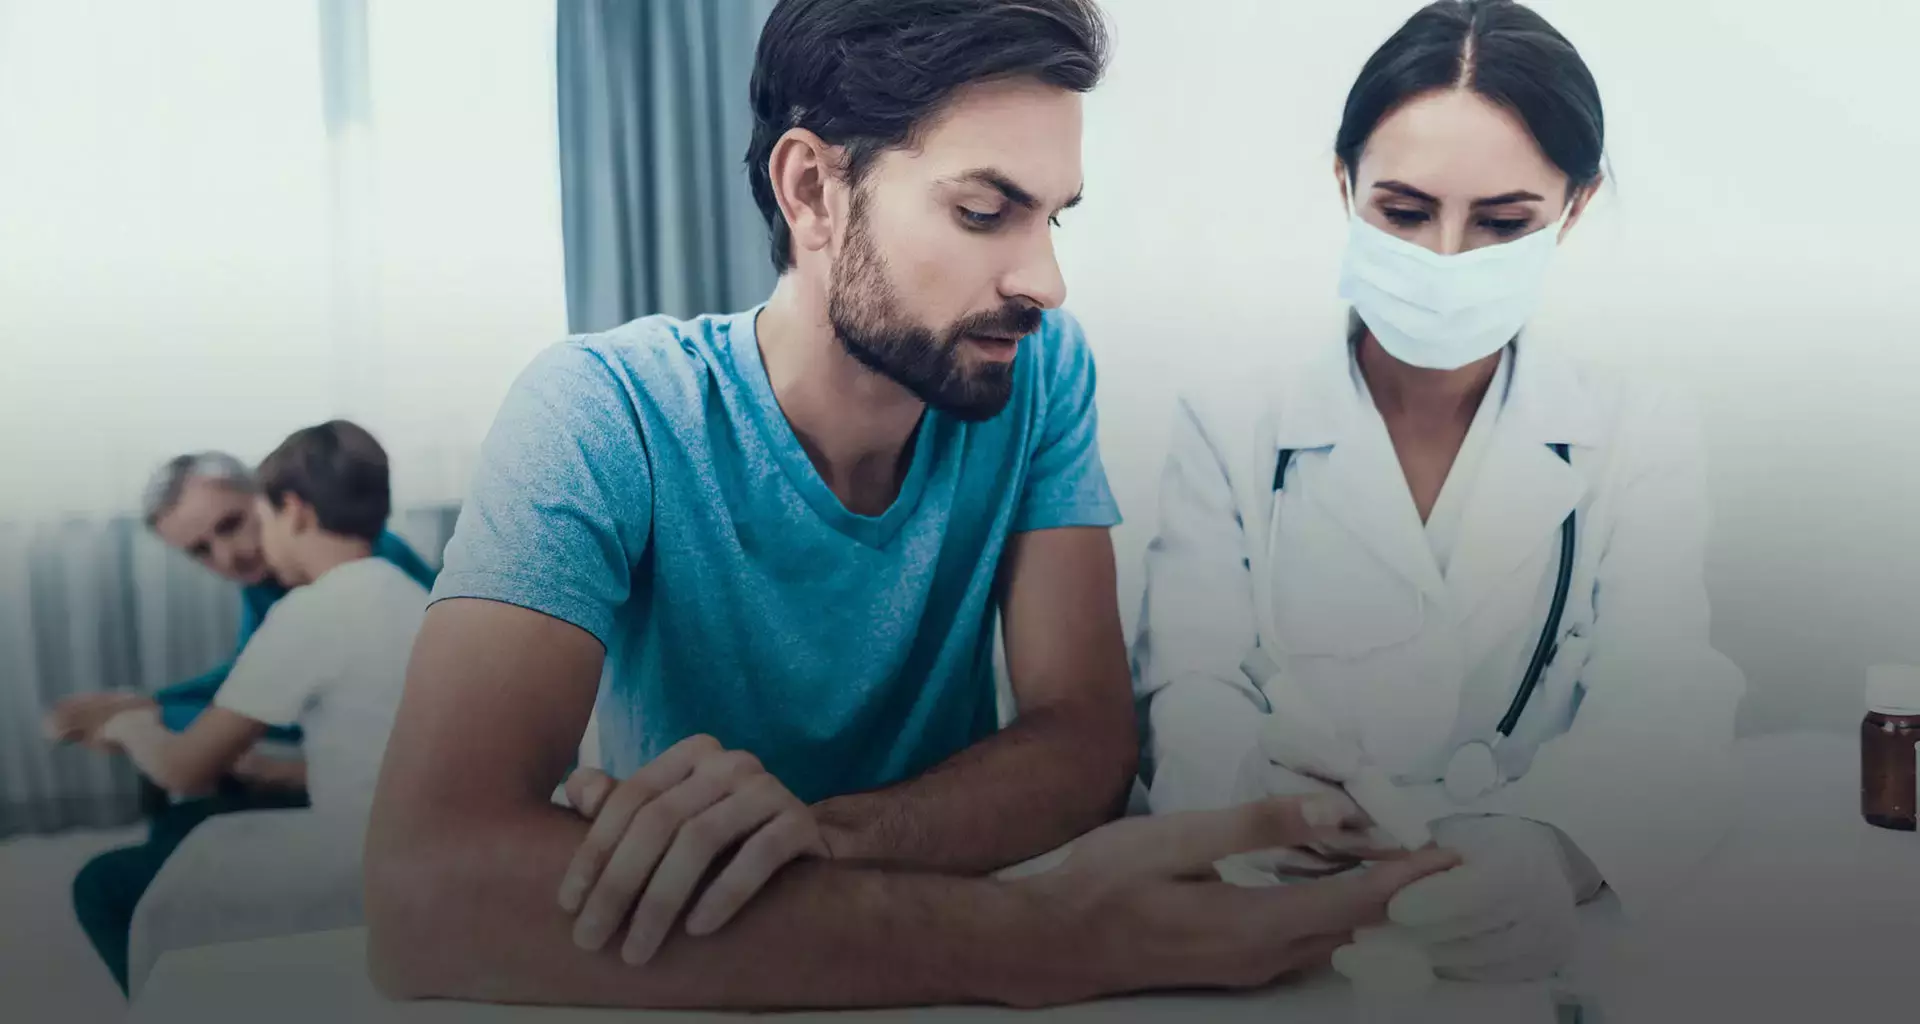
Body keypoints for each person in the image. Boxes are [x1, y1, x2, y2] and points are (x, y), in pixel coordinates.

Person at [365, 0, 1456, 1009]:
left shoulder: (1040, 373)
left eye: (1053, 218)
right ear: (811, 193)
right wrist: (1041, 937)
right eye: (986, 212)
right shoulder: (603, 413)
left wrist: (821, 844)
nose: (1045, 280)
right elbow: (429, 885)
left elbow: (1085, 740)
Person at [1132, 0, 1746, 984]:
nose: (1445, 260)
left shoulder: (1638, 431)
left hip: (1522, 957)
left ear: (1573, 211)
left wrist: (1559, 848)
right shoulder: (1232, 422)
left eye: (1504, 223)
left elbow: (1668, 702)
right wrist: (1252, 794)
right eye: (1404, 211)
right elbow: (1188, 691)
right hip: (1278, 938)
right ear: (1345, 187)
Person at [70, 423, 432, 994]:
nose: (234, 555)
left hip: (363, 848)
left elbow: (183, 766)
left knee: (103, 884)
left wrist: (130, 720)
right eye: (201, 552)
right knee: (186, 833)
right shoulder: (404, 593)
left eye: (243, 522)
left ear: (289, 511)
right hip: (402, 824)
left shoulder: (311, 607)